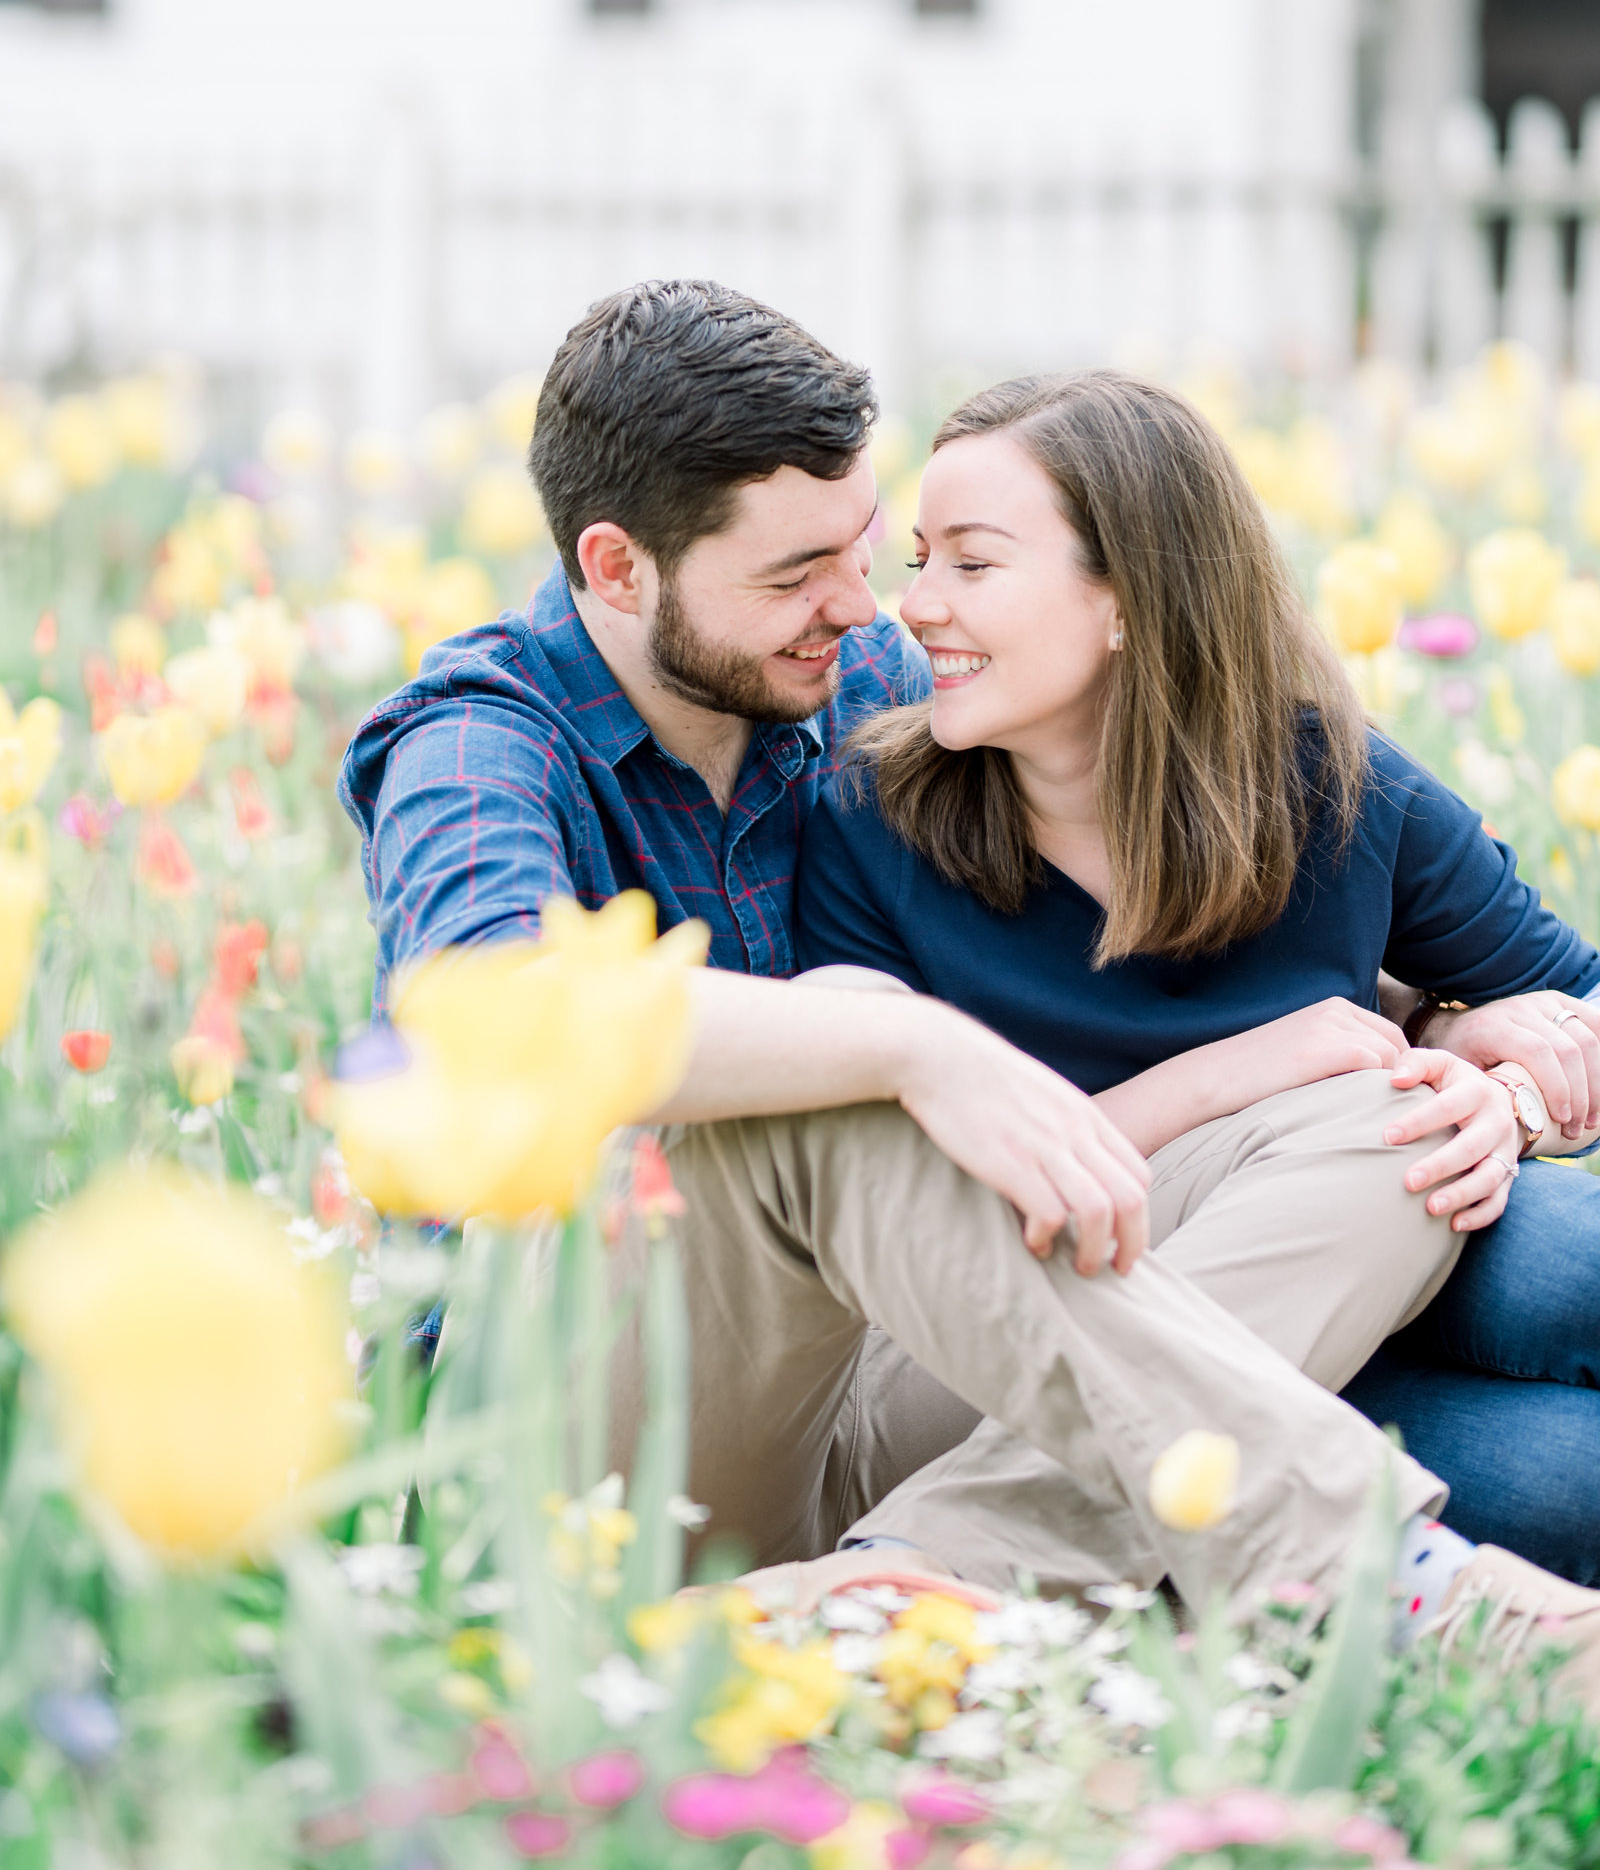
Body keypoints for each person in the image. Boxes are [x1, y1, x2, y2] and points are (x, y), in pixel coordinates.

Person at [339, 281, 1600, 1686]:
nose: (869, 606)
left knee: (1394, 1130)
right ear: (619, 569)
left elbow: (1150, 749)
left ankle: (904, 1588)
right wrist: (917, 1048)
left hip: (895, 1372)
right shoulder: (477, 742)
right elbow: (485, 1016)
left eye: (868, 551)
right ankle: (1390, 1576)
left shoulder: (862, 676)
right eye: (796, 571)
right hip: (583, 1420)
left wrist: (1441, 1032)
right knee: (841, 1057)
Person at [793, 367, 1600, 1588]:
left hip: (1308, 1289)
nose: (915, 608)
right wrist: (1236, 1076)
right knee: (1396, 1135)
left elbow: (1573, 998)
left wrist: (1508, 1085)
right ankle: (929, 1564)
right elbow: (900, 1224)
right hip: (988, 1349)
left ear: (1128, 597)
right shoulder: (869, 824)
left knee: (1568, 1452)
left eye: (970, 564)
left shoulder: (1332, 789)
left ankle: (1065, 1574)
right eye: (920, 561)